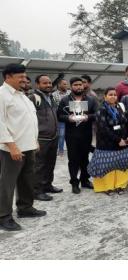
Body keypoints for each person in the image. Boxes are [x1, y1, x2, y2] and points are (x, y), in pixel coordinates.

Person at [0, 64, 46, 231]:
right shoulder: (2, 95)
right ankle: (3, 216)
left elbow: (29, 121)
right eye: (20, 77)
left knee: (27, 179)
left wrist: (35, 141)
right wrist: (12, 146)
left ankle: (25, 208)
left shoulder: (22, 96)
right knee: (7, 183)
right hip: (12, 148)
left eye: (25, 76)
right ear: (8, 77)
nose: (24, 79)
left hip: (28, 146)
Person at [88, 88, 128, 195]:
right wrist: (118, 140)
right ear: (105, 96)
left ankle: (120, 185)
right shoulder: (101, 109)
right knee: (107, 167)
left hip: (123, 143)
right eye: (110, 94)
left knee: (122, 165)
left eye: (114, 94)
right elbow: (103, 128)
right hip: (107, 144)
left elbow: (127, 123)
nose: (113, 96)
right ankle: (107, 187)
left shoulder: (120, 107)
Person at [57, 77, 99, 194]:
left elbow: (97, 113)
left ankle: (85, 180)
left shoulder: (91, 100)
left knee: (85, 159)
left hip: (86, 134)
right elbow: (59, 115)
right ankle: (74, 183)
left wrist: (88, 117)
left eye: (80, 84)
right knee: (73, 160)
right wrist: (68, 118)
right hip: (71, 135)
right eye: (75, 85)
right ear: (71, 87)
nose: (79, 87)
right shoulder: (65, 100)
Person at [28, 74, 62, 202]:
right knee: (39, 165)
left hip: (53, 136)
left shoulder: (51, 97)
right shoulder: (33, 98)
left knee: (50, 163)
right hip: (41, 138)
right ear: (38, 84)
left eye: (49, 83)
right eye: (45, 83)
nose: (48, 85)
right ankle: (37, 191)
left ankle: (47, 185)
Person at [52, 78, 71, 157]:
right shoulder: (54, 94)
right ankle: (60, 150)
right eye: (64, 84)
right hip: (61, 118)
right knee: (61, 135)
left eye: (66, 84)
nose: (66, 85)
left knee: (71, 134)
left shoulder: (70, 93)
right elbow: (54, 107)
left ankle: (71, 149)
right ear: (59, 85)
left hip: (71, 117)